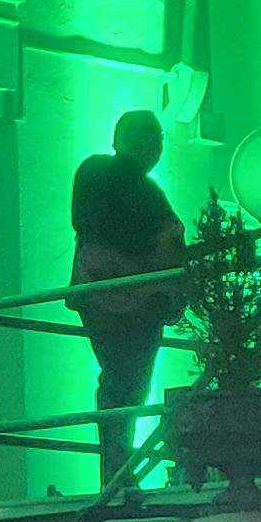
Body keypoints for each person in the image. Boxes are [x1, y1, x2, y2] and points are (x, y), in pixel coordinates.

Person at [69, 111, 188, 490]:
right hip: (122, 294)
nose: (154, 146)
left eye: (156, 138)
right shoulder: (114, 179)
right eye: (148, 137)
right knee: (125, 383)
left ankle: (117, 468)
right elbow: (110, 228)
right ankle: (117, 469)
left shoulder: (100, 175)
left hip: (117, 294)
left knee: (124, 384)